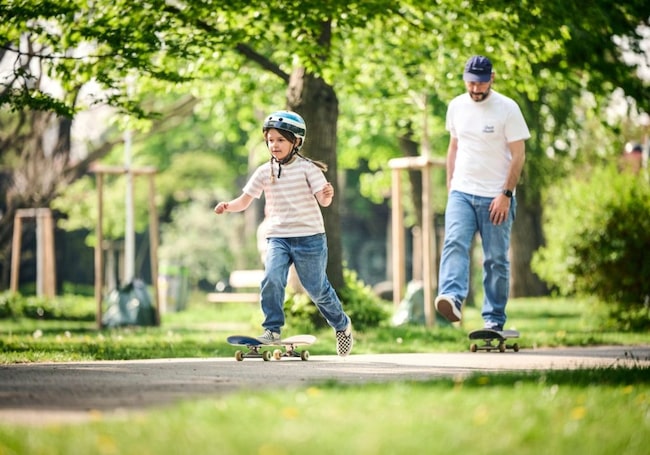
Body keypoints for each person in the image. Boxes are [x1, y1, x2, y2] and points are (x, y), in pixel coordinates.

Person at [214, 110, 353, 356]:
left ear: (295, 141)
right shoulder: (263, 171)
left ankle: (342, 325)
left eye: (280, 140)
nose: (274, 145)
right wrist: (228, 206)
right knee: (271, 278)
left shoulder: (308, 169)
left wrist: (327, 195)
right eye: (270, 140)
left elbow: (324, 201)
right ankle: (272, 329)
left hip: (310, 238)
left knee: (317, 289)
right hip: (278, 236)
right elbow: (244, 201)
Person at [434, 55, 531, 331]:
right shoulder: (456, 106)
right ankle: (451, 297)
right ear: (465, 79)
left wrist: (506, 194)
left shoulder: (507, 109)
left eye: (481, 83)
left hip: (496, 196)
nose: (476, 89)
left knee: (495, 259)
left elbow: (519, 154)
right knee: (454, 243)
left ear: (492, 78)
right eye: (471, 83)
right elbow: (454, 146)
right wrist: (451, 185)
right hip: (462, 193)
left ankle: (493, 318)